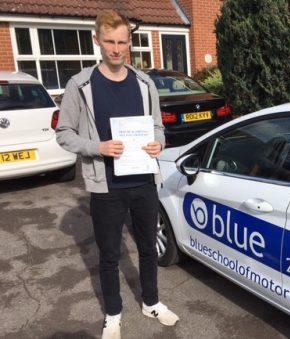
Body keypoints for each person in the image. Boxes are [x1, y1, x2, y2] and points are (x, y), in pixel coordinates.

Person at [56, 9, 179, 339]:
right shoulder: (80, 85)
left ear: (129, 42)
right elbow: (64, 132)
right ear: (96, 40)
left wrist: (159, 143)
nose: (116, 49)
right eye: (109, 41)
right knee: (110, 254)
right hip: (105, 185)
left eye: (122, 42)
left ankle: (151, 301)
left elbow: (156, 125)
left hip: (143, 181)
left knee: (148, 248)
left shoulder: (144, 83)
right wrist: (99, 148)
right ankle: (113, 312)